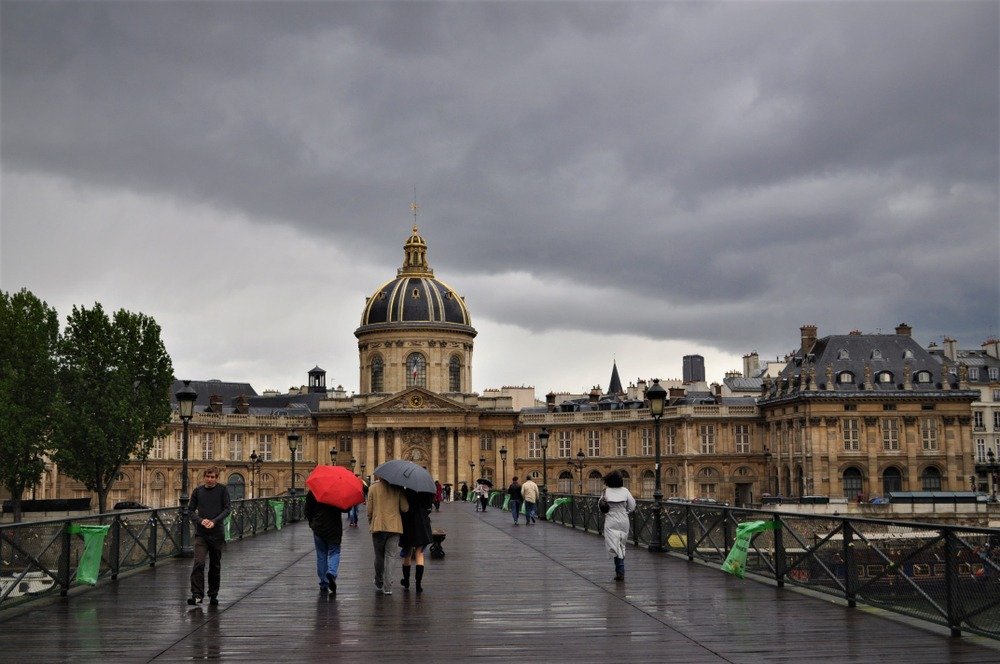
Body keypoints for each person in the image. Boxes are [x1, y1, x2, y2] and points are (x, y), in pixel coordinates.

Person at [187, 467, 231, 606]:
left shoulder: (222, 490)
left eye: (213, 477)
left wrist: (215, 521)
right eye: (208, 477)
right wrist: (201, 520)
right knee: (199, 563)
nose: (210, 479)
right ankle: (197, 594)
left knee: (215, 565)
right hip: (201, 534)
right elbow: (190, 510)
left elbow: (227, 508)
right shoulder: (197, 491)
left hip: (217, 533)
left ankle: (213, 594)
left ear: (216, 478)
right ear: (204, 477)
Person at [367, 473, 409, 595]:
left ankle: (379, 581)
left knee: (379, 555)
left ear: (380, 476)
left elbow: (369, 509)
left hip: (378, 526)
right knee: (390, 556)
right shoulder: (398, 488)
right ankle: (388, 587)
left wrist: (372, 522)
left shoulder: (373, 488)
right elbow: (405, 508)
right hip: (394, 527)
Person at [305, 489, 343, 594]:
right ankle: (331, 572)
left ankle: (323, 582)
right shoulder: (337, 491)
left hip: (318, 527)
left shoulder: (313, 491)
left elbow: (307, 510)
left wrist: (312, 523)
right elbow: (346, 509)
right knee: (334, 551)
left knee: (321, 555)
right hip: (334, 528)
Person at [601, 470, 636, 582]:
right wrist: (626, 512)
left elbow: (600, 507)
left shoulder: (605, 492)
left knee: (614, 545)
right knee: (621, 544)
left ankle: (620, 570)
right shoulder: (625, 491)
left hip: (611, 519)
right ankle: (620, 569)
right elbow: (632, 506)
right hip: (623, 519)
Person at [399, 489, 433, 592]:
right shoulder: (426, 491)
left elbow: (403, 508)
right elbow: (429, 506)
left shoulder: (406, 491)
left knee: (407, 553)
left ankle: (406, 581)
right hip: (422, 524)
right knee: (420, 553)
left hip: (408, 524)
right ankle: (418, 585)